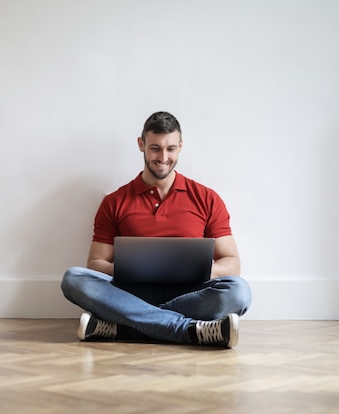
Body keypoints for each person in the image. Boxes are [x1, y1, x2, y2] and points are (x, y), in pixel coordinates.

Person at [61, 111, 252, 348]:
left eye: (171, 148)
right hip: (132, 293)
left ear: (180, 146)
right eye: (155, 148)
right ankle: (188, 330)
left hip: (189, 294)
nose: (163, 157)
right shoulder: (115, 201)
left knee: (239, 292)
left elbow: (232, 262)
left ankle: (126, 325)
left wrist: (198, 271)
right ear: (141, 144)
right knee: (74, 278)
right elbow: (96, 262)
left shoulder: (206, 198)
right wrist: (129, 271)